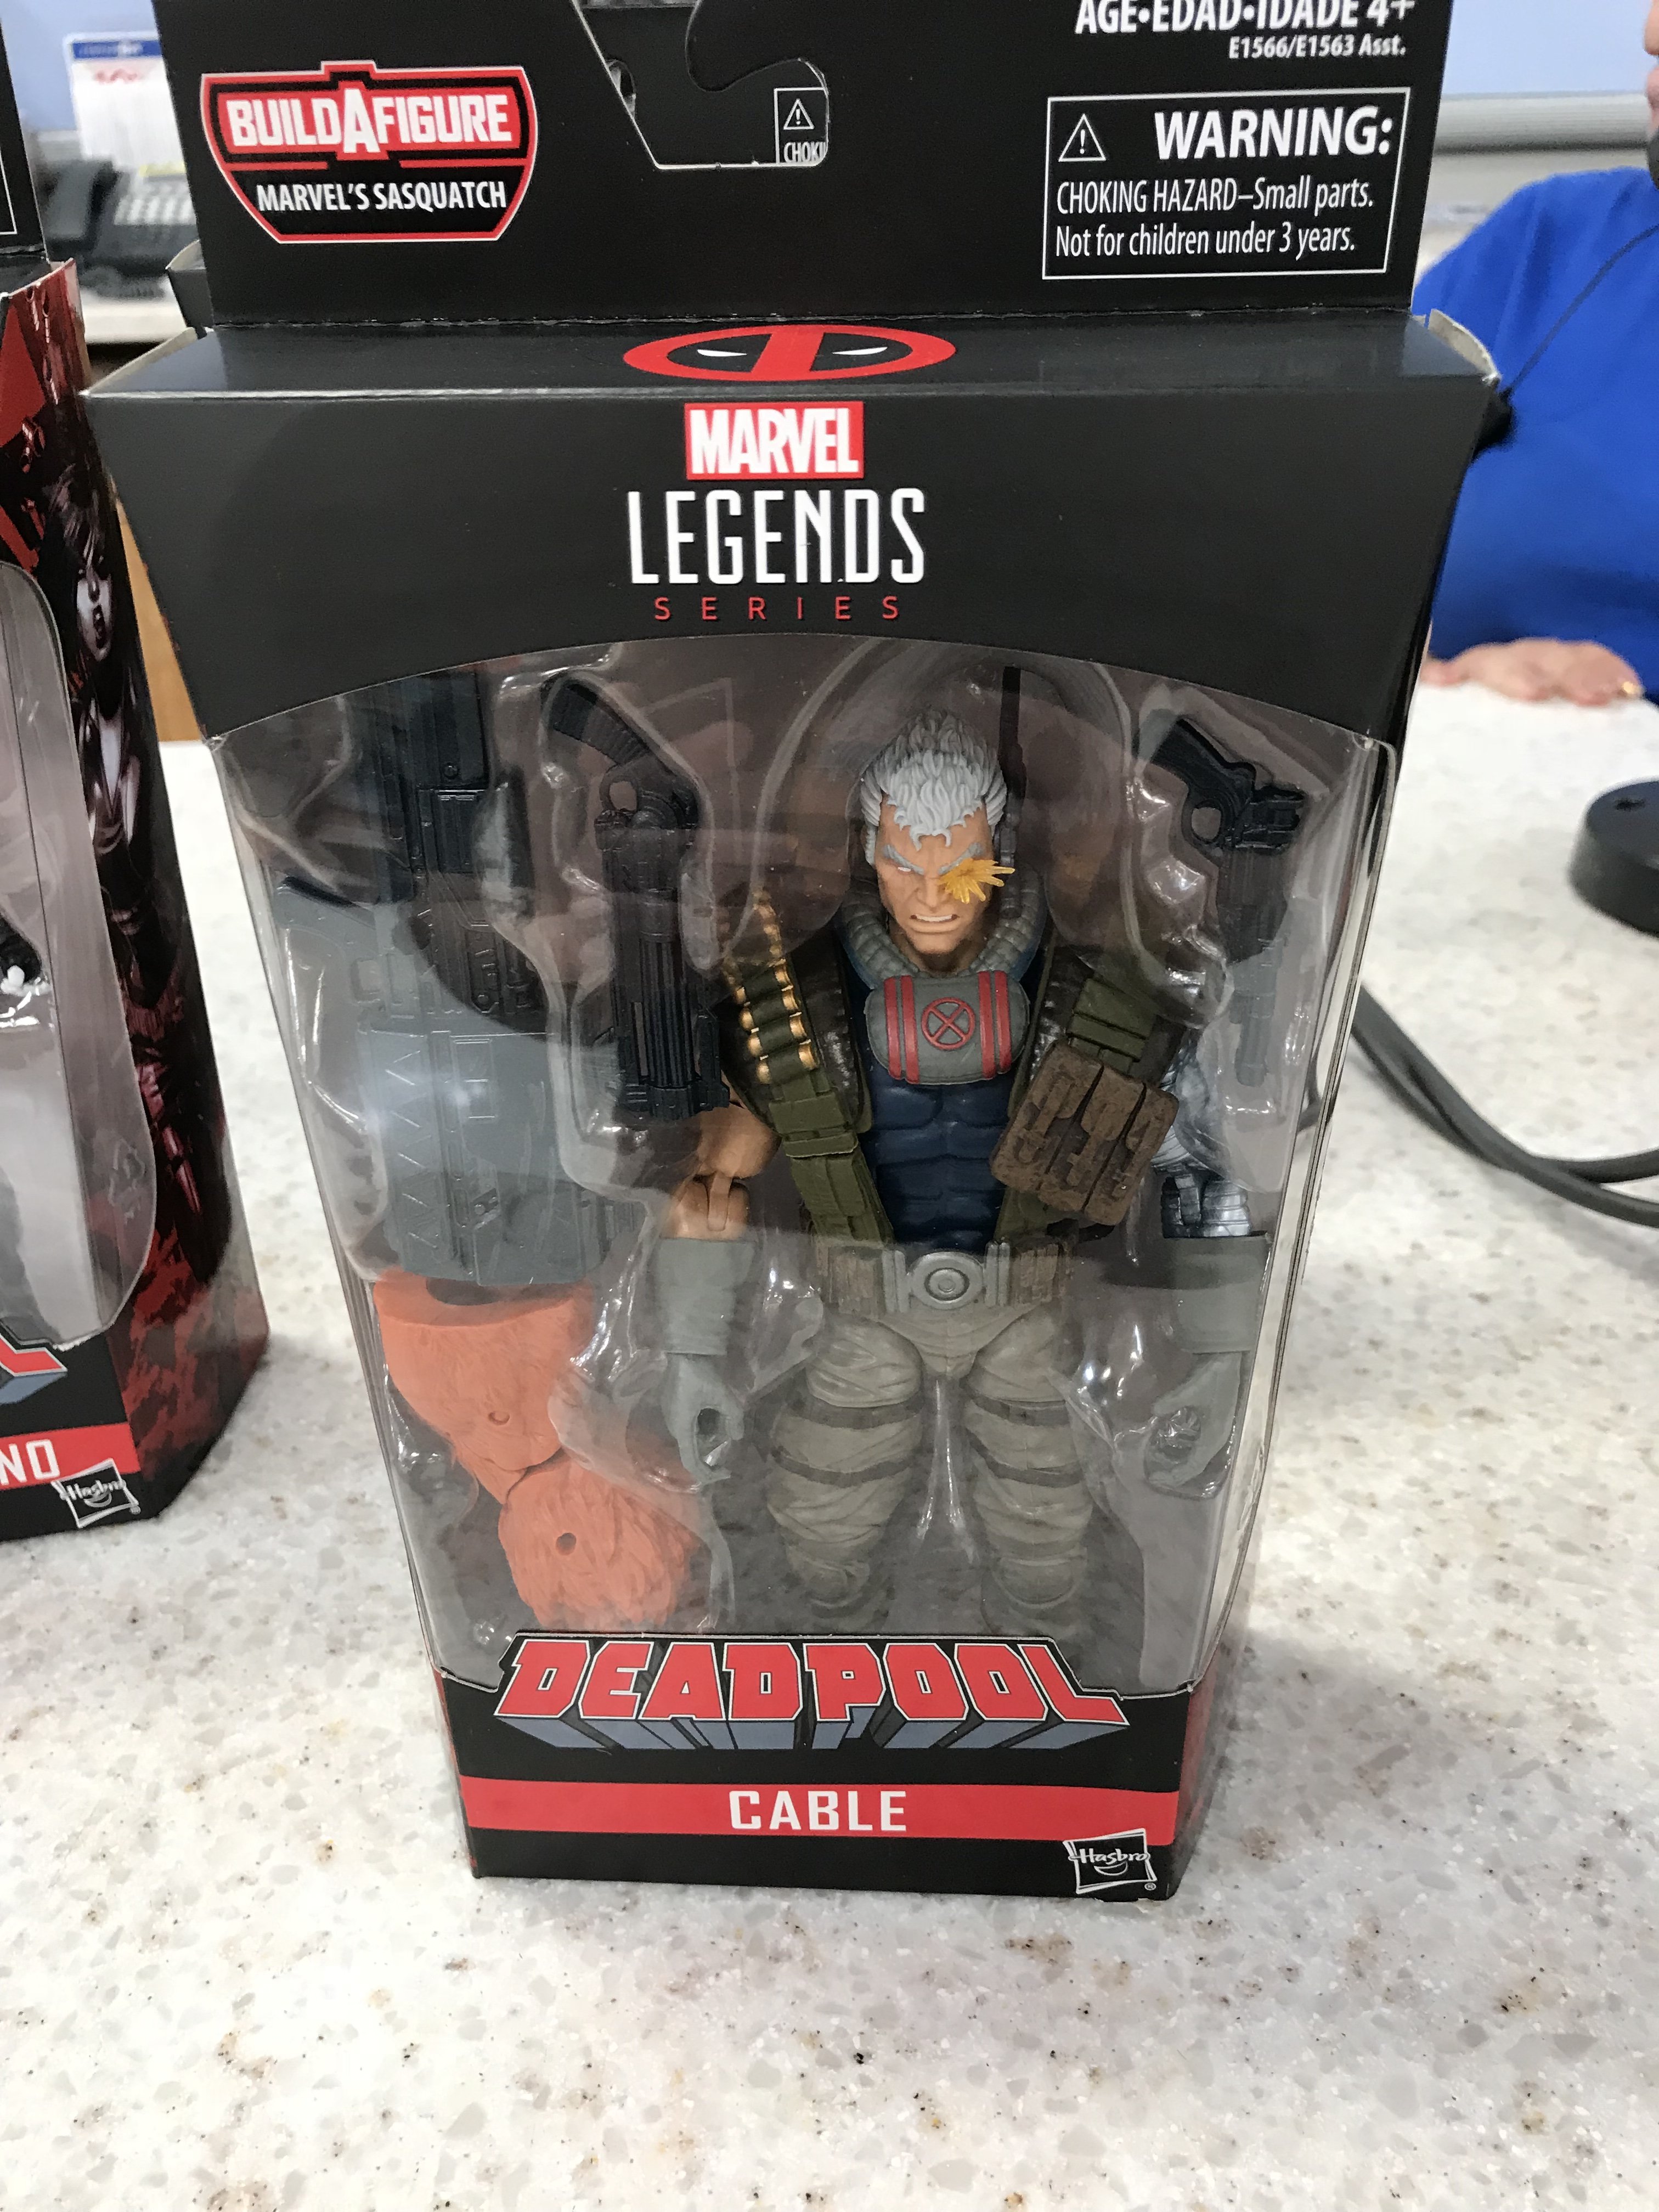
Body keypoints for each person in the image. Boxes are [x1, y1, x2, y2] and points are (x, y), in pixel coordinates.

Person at [1412, 0, 1659, 706]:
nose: (1651, 33)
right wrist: (1413, 675)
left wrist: (1619, 711)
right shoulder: (1548, 239)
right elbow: (1310, 519)